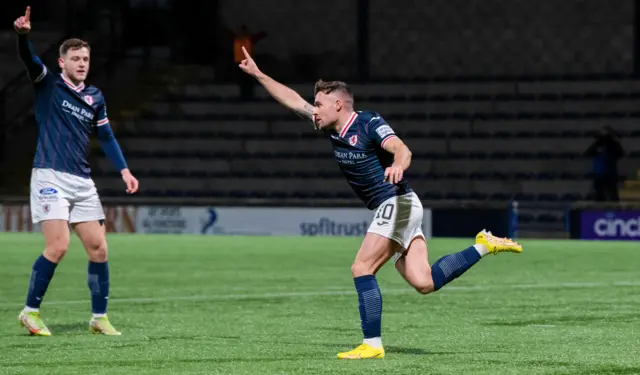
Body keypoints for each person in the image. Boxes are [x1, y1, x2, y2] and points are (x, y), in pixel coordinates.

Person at [238, 47, 523, 359]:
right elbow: (293, 100)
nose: (314, 110)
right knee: (424, 282)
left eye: (319, 104)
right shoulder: (330, 127)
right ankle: (484, 245)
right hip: (400, 206)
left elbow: (401, 148)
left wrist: (399, 163)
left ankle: (372, 345)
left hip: (396, 202)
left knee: (361, 267)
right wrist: (258, 74)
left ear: (338, 104)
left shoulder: (368, 123)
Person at [14, 6, 139, 336]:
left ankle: (99, 318)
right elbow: (29, 61)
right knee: (58, 246)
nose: (82, 63)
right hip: (50, 174)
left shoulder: (95, 97)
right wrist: (23, 36)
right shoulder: (49, 85)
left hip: (82, 180)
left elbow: (107, 136)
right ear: (62, 62)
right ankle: (30, 311)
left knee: (99, 248)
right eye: (76, 58)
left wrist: (124, 170)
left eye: (85, 58)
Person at [585, 125, 625, 202]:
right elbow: (587, 153)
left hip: (611, 173)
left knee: (613, 195)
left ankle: (615, 212)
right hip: (599, 173)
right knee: (599, 196)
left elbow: (620, 154)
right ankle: (599, 212)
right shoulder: (597, 144)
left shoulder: (614, 144)